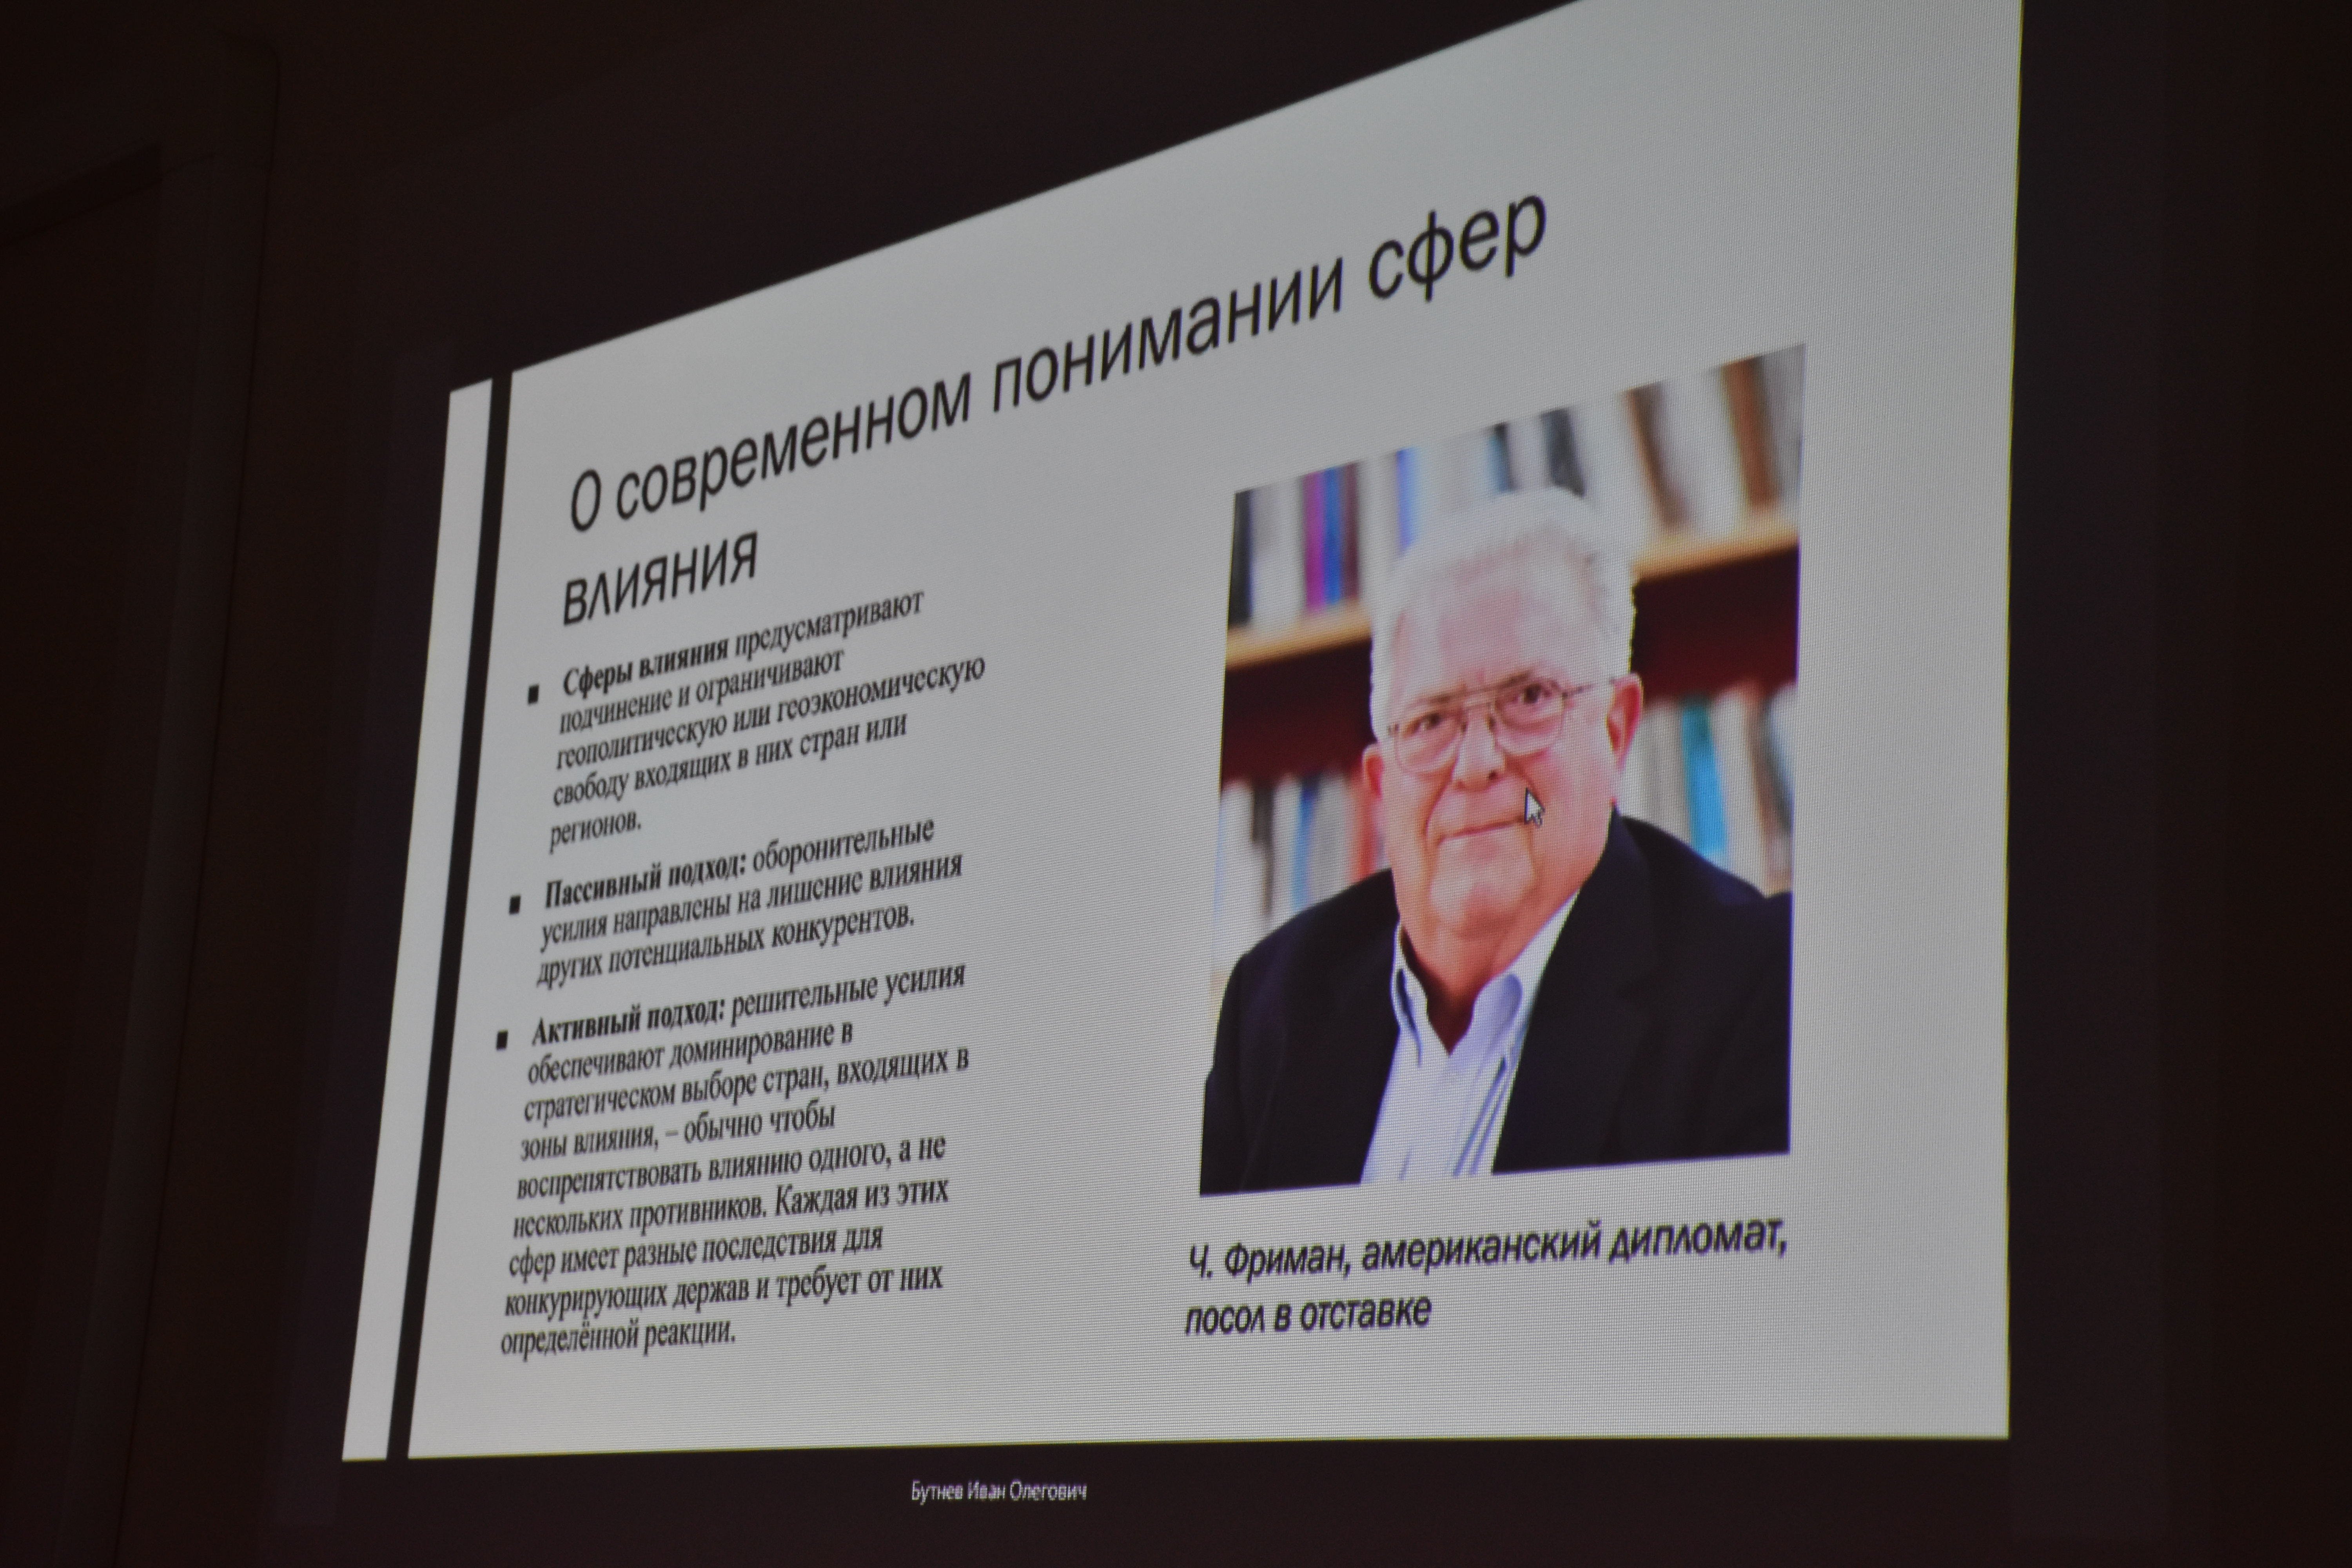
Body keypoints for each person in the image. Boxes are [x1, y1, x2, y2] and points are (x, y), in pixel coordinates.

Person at [1201, 487, 1789, 1193]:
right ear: (1381, 786)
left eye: (1530, 699)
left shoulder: (1757, 986)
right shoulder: (1273, 1005)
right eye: (1430, 722)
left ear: (1615, 732)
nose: (1476, 764)